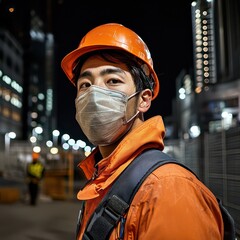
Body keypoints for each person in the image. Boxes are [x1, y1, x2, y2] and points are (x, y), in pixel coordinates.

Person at [61, 23, 224, 239]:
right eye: (85, 85)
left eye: (112, 81)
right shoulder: (104, 177)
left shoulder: (168, 189)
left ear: (143, 100)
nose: (94, 94)